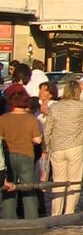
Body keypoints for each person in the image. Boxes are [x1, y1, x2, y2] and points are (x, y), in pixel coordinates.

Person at [42, 78, 83, 215]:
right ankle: (69, 212)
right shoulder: (80, 106)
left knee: (58, 182)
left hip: (57, 148)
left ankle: (56, 213)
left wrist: (47, 146)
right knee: (74, 181)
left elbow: (47, 130)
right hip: (75, 147)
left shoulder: (54, 107)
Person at [0, 85, 42, 219]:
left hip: (8, 156)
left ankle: (8, 219)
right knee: (28, 188)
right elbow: (37, 140)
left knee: (9, 188)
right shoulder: (31, 119)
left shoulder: (3, 118)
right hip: (26, 155)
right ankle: (31, 218)